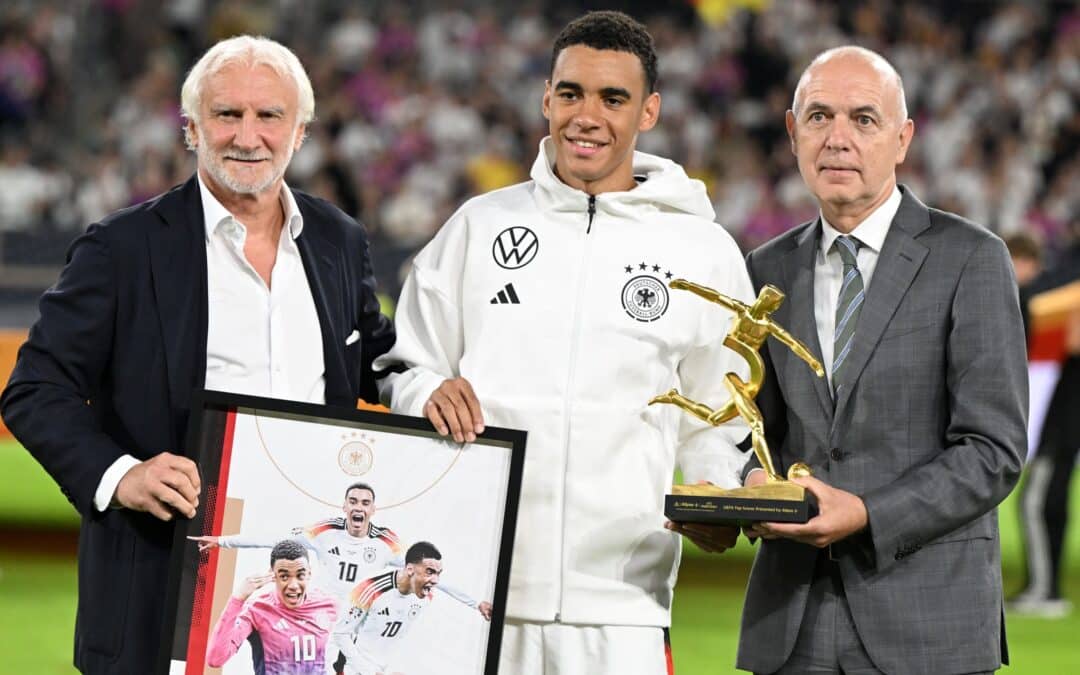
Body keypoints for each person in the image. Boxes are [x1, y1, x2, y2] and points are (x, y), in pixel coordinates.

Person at [0, 35, 394, 674]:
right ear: (191, 130)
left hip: (302, 589)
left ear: (300, 132)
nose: (248, 134)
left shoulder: (338, 241)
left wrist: (432, 388)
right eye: (226, 114)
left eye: (269, 115)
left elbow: (377, 358)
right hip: (156, 590)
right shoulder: (121, 248)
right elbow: (34, 388)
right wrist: (120, 474)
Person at [374, 10, 752, 674]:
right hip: (476, 587)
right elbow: (404, 362)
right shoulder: (479, 226)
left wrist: (715, 493)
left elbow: (717, 413)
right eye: (572, 93)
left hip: (623, 603)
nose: (587, 115)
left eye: (614, 98)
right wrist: (427, 389)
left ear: (650, 111)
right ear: (547, 97)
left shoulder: (703, 251)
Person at [735, 46, 1028, 674]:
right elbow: (749, 431)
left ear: (903, 138)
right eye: (818, 117)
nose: (837, 138)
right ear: (792, 133)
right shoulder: (763, 271)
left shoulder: (972, 258)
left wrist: (867, 513)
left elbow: (993, 450)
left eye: (863, 119)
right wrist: (748, 487)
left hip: (930, 627)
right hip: (792, 630)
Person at [1008, 224, 1080, 618]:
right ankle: (1043, 585)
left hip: (1057, 429)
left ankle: (1045, 590)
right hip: (1057, 428)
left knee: (1037, 504)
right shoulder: (1049, 307)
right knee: (1046, 504)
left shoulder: (1046, 305)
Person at [206, 539, 339, 674]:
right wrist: (237, 598)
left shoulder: (329, 606)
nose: (293, 585)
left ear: (309, 573)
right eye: (284, 576)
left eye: (300, 575)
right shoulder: (256, 610)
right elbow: (216, 659)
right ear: (272, 575)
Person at [332, 541, 446, 675]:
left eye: (438, 573)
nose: (435, 580)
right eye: (430, 572)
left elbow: (401, 636)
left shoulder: (426, 595)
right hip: (355, 668)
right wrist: (368, 672)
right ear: (410, 569)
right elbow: (340, 633)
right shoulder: (370, 588)